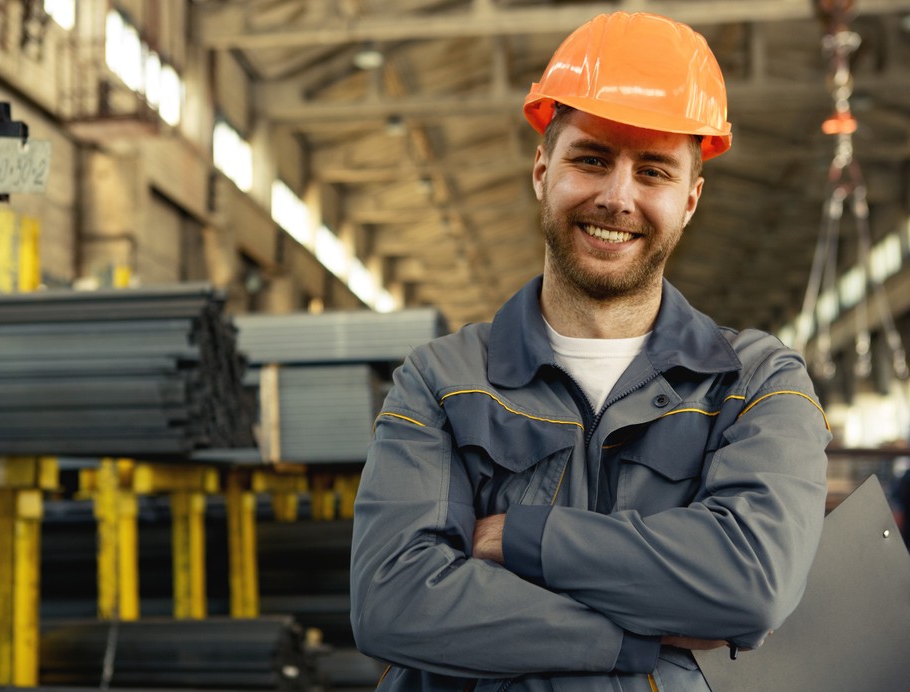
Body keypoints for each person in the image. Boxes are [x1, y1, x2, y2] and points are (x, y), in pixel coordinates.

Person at [349, 11, 832, 692]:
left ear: (690, 199)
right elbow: (391, 603)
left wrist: (514, 538)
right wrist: (635, 635)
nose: (616, 197)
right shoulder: (442, 382)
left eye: (654, 171)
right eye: (592, 159)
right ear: (543, 169)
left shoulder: (753, 383)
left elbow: (750, 583)